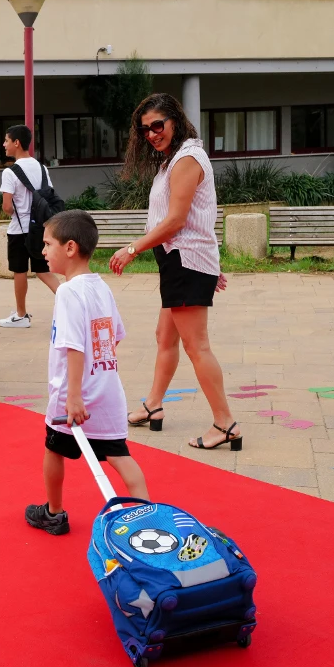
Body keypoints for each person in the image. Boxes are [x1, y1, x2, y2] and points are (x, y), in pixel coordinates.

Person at [107, 92, 240, 452]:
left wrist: (132, 248)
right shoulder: (175, 160)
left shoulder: (186, 159)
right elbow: (198, 219)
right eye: (145, 129)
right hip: (183, 261)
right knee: (165, 337)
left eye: (157, 125)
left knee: (197, 347)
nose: (151, 133)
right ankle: (154, 405)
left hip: (184, 261)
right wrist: (210, 267)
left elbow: (177, 221)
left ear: (175, 122)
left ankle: (225, 423)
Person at [25, 210, 149, 536]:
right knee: (121, 456)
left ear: (70, 248)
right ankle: (147, 522)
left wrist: (75, 395)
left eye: (47, 244)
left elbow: (73, 346)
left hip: (73, 395)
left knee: (54, 448)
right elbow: (115, 334)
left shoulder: (67, 292)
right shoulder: (101, 287)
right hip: (107, 393)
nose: (43, 251)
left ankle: (54, 512)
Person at [0, 124, 59, 328]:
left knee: (20, 270)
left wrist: (16, 210)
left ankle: (21, 314)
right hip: (41, 227)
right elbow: (49, 194)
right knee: (43, 271)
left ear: (17, 143)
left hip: (19, 230)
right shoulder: (42, 168)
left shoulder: (10, 172)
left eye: (7, 140)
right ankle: (70, 304)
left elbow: (7, 207)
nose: (4, 144)